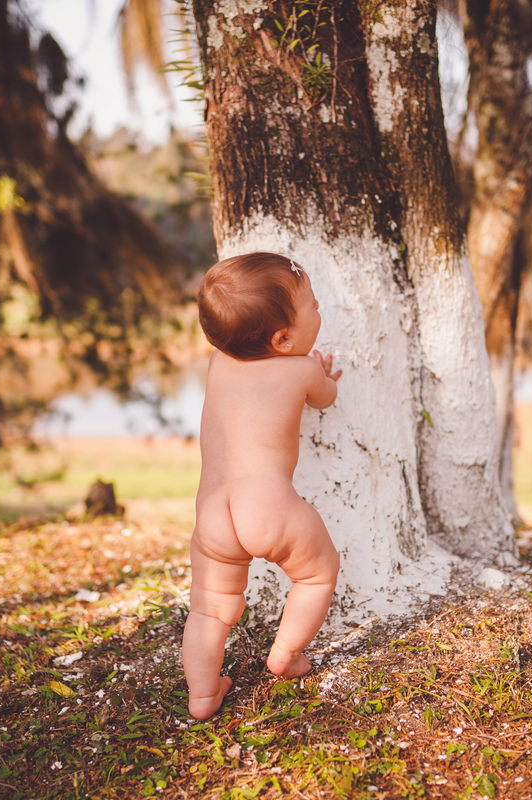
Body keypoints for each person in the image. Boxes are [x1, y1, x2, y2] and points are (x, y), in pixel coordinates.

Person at [182, 251, 343, 720]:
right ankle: (286, 654)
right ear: (284, 337)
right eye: (312, 304)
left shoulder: (218, 363)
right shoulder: (302, 370)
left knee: (210, 609)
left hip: (213, 512)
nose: (320, 311)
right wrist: (324, 376)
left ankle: (203, 694)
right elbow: (327, 399)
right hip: (268, 506)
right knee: (317, 573)